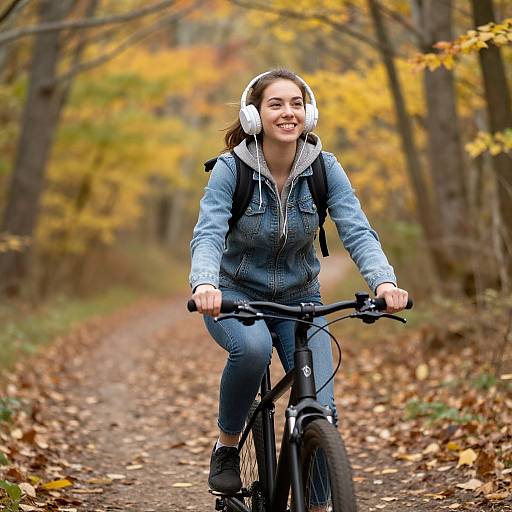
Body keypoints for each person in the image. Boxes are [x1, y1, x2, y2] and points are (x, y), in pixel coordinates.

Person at [189, 68, 409, 495]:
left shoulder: (325, 169)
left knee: (321, 411)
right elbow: (209, 232)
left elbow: (357, 230)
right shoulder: (230, 171)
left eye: (296, 103)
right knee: (251, 351)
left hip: (302, 299)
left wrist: (384, 283)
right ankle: (228, 445)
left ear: (309, 113)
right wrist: (204, 286)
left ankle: (321, 505)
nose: (288, 112)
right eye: (276, 104)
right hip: (235, 296)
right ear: (253, 115)